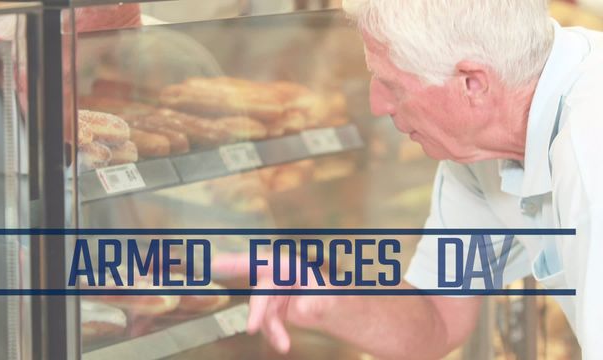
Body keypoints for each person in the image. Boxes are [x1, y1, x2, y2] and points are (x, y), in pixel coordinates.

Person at [214, 0, 603, 358]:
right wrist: (326, 298)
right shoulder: (479, 154)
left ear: (472, 83)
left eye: (392, 84)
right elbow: (437, 319)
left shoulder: (589, 149)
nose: (376, 104)